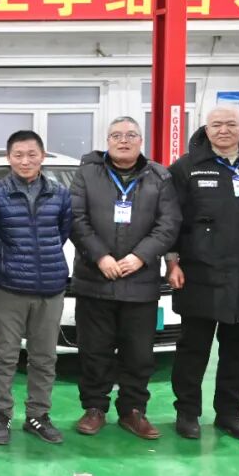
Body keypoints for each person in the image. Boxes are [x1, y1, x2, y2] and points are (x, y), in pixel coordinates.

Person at [167, 106, 239, 442]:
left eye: (231, 124)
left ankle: (230, 415)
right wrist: (172, 261)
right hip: (199, 272)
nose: (223, 130)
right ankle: (187, 412)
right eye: (216, 124)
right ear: (206, 129)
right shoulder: (187, 168)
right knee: (193, 349)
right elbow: (171, 218)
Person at [69, 117, 180, 440]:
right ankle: (94, 408)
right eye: (116, 135)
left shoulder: (160, 177)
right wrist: (100, 256)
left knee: (139, 353)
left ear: (140, 141)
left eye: (131, 135)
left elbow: (169, 223)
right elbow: (75, 219)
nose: (123, 140)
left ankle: (133, 411)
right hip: (95, 279)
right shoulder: (87, 173)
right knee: (94, 350)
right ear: (107, 141)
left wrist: (140, 256)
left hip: (140, 282)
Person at [0, 130, 72, 445]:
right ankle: (0, 415)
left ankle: (38, 415)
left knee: (44, 357)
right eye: (18, 155)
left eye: (32, 154)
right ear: (9, 158)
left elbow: (62, 233)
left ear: (42, 156)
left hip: (51, 288)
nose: (25, 161)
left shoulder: (60, 194)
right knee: (4, 356)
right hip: (9, 289)